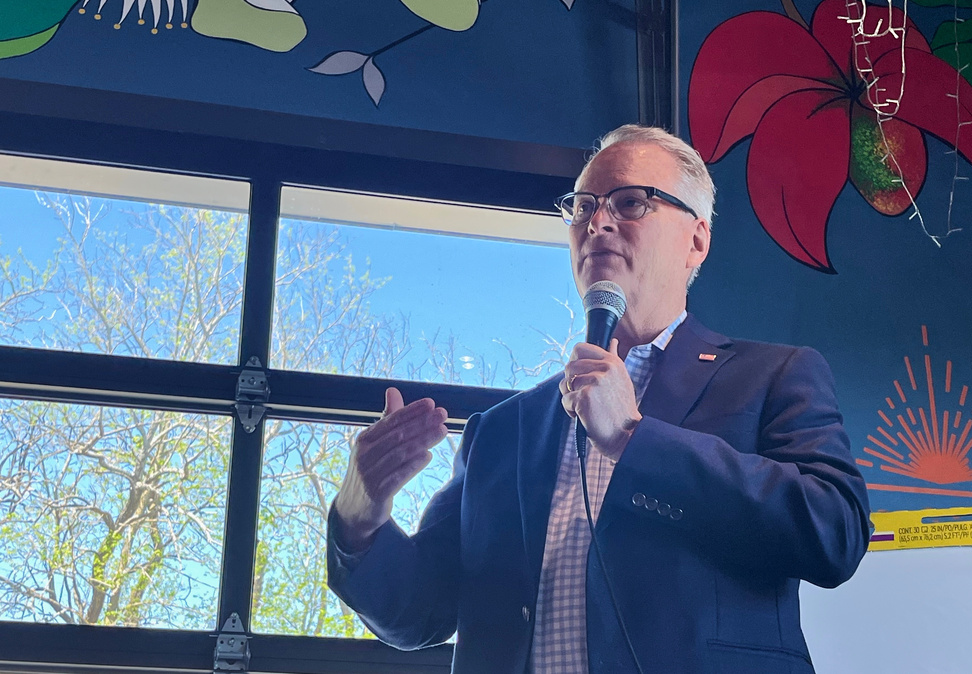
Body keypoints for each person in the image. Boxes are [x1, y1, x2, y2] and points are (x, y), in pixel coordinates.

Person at [326, 124, 871, 674]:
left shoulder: (771, 376)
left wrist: (633, 438)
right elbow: (419, 612)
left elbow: (834, 533)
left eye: (630, 202)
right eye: (583, 207)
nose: (596, 223)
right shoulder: (500, 431)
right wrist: (359, 516)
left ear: (697, 240)